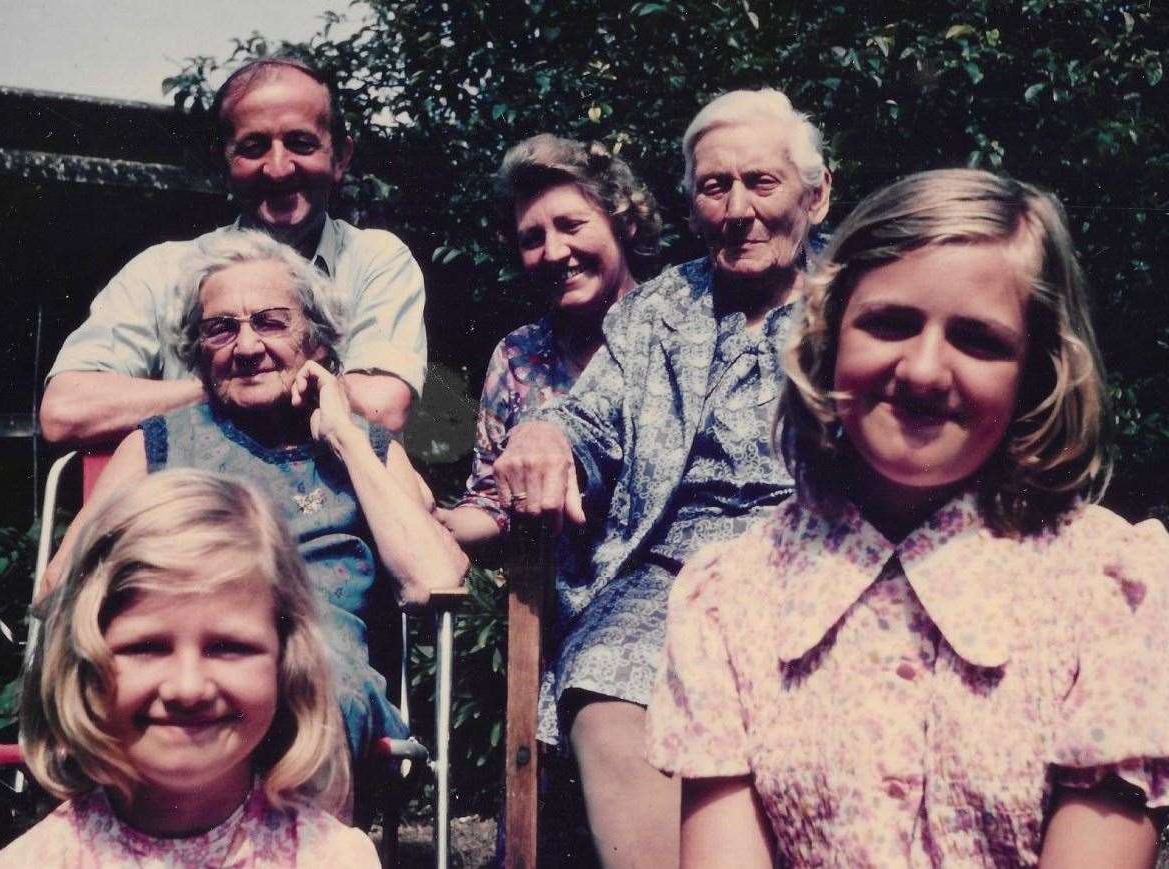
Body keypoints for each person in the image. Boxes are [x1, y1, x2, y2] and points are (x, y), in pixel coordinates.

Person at [648, 169, 1169, 867]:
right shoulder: (728, 599)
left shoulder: (1110, 590)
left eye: (979, 340)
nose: (923, 370)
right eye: (889, 323)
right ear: (829, 337)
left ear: (1035, 371)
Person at [492, 89, 832, 866]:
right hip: (666, 570)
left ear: (817, 195)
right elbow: (589, 417)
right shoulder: (661, 306)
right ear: (691, 205)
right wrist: (545, 429)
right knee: (605, 684)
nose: (738, 208)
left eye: (762, 182)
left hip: (821, 553)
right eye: (716, 187)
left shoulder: (862, 296)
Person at [43, 228, 467, 761]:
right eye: (220, 330)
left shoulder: (367, 451)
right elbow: (57, 588)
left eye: (270, 323)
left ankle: (297, 846)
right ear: (197, 350)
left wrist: (344, 435)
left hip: (318, 675)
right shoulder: (158, 442)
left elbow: (435, 582)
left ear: (315, 341)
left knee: (315, 687)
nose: (246, 348)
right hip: (182, 669)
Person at [0, 469, 379, 867]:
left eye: (229, 648)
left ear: (286, 664)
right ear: (81, 668)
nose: (188, 688)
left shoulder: (331, 858)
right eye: (147, 648)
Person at [40, 56, 425, 442]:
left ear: (340, 158)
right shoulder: (163, 270)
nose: (278, 168)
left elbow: (383, 406)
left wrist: (235, 381)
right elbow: (65, 411)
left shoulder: (375, 259)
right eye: (253, 147)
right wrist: (237, 385)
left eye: (301, 143)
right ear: (222, 162)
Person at [436, 133, 660, 560]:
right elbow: (493, 503)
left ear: (623, 221)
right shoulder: (519, 357)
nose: (554, 252)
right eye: (532, 238)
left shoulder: (679, 333)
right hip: (563, 605)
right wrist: (439, 524)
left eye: (571, 225)